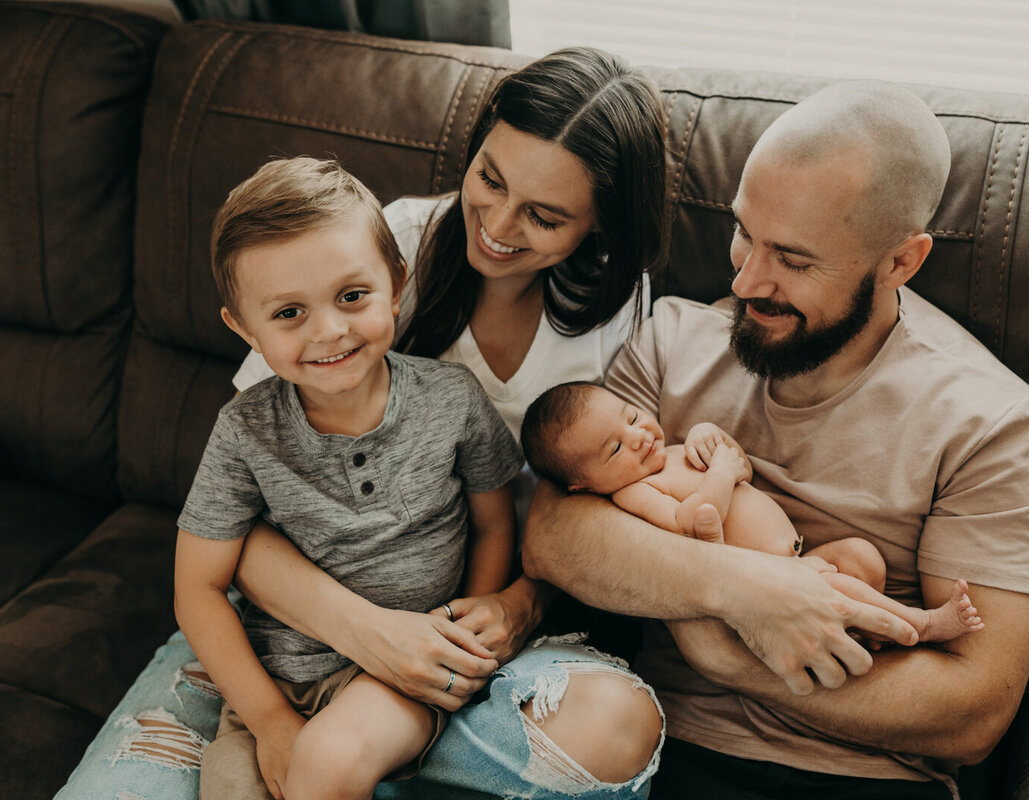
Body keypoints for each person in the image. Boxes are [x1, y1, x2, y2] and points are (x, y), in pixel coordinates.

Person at [57, 47, 694, 800]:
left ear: (599, 226)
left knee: (608, 727)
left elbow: (598, 501)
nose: (495, 223)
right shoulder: (375, 245)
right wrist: (352, 638)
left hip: (474, 635)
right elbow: (232, 533)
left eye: (545, 215)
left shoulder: (618, 317)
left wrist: (511, 607)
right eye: (489, 178)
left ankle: (378, 754)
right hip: (290, 637)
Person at [521, 80, 1029, 799]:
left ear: (901, 262)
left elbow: (973, 711)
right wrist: (744, 595)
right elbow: (556, 537)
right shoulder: (674, 340)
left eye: (794, 260)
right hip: (644, 745)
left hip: (850, 777)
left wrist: (731, 660)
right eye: (744, 232)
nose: (746, 280)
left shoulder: (992, 425)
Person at [176, 156, 525, 799]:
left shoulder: (451, 398)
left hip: (397, 676)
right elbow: (198, 587)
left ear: (395, 282)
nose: (329, 330)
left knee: (329, 764)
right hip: (273, 681)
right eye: (288, 314)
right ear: (244, 328)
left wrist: (457, 644)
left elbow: (494, 520)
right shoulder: (243, 430)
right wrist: (272, 720)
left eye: (352, 296)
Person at [521, 381, 985, 646]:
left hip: (798, 554)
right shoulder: (634, 494)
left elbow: (740, 467)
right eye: (615, 447)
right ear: (583, 486)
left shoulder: (678, 450)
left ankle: (865, 634)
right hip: (767, 584)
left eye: (631, 417)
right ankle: (920, 625)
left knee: (862, 557)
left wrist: (712, 439)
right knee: (838, 585)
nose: (639, 436)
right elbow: (691, 519)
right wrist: (720, 472)